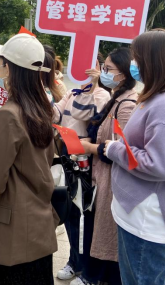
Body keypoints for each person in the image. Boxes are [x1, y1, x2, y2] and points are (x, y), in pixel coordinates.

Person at [81, 30, 165, 286]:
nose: (134, 64)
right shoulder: (158, 98)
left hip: (147, 219)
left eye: (137, 58)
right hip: (139, 213)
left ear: (153, 61)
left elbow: (160, 165)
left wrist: (114, 149)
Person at [0, 33, 59, 286]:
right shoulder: (41, 109)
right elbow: (31, 161)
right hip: (38, 223)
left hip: (12, 233)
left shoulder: (8, 115)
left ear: (9, 69)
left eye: (0, 63)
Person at [72, 48, 138, 286]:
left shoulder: (127, 104)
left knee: (106, 233)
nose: (104, 73)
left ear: (124, 74)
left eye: (108, 69)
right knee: (96, 228)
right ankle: (94, 275)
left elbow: (123, 151)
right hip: (101, 177)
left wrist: (90, 147)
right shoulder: (116, 97)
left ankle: (98, 277)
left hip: (112, 181)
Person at [54, 57, 111, 283]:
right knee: (70, 211)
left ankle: (87, 268)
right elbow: (55, 114)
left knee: (85, 214)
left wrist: (92, 86)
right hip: (68, 156)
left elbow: (86, 115)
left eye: (93, 64)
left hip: (87, 160)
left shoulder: (102, 95)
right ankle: (74, 261)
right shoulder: (72, 92)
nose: (85, 68)